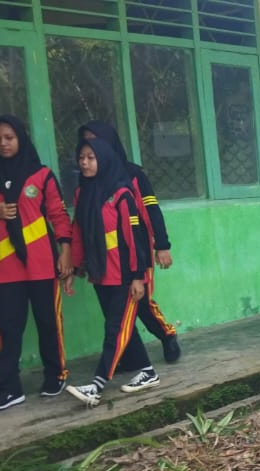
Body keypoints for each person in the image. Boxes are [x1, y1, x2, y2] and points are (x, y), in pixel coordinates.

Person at [0, 115, 72, 411]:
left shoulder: (41, 175)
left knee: (48, 323)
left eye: (9, 137)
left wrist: (65, 251)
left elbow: (58, 215)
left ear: (20, 138)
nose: (3, 144)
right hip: (5, 267)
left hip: (42, 263)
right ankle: (9, 388)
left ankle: (56, 375)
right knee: (8, 328)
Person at [64, 138, 159, 406]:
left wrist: (138, 276)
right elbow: (79, 232)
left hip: (124, 275)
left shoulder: (122, 193)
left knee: (114, 330)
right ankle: (148, 371)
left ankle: (96, 386)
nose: (84, 162)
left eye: (91, 157)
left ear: (104, 159)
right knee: (122, 327)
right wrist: (75, 267)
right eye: (81, 157)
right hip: (99, 273)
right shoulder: (84, 193)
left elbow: (134, 238)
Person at [77, 121, 181, 364]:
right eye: (86, 142)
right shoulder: (86, 179)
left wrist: (162, 245)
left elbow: (152, 209)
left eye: (96, 140)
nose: (91, 147)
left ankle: (166, 335)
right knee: (115, 310)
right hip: (104, 256)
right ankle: (131, 357)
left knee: (139, 301)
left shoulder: (133, 174)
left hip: (137, 250)